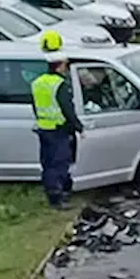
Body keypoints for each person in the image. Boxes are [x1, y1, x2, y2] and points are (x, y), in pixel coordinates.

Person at [31, 34, 83, 210]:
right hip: (58, 130)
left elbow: (35, 106)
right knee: (59, 164)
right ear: (60, 65)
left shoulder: (37, 83)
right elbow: (67, 109)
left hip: (43, 129)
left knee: (47, 164)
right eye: (65, 65)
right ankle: (57, 198)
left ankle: (57, 191)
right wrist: (78, 126)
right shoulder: (59, 85)